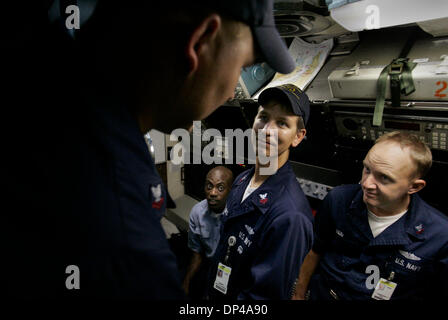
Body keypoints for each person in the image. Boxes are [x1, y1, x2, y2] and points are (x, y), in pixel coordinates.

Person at [4, 0, 296, 298]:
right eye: (241, 67)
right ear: (200, 43)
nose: (230, 89)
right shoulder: (121, 220)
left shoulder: (43, 80)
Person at [292, 131, 448, 300]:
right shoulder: (338, 200)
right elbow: (315, 251)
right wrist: (298, 295)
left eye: (384, 178)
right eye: (367, 169)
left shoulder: (439, 236)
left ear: (414, 187)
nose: (366, 184)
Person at [206, 84, 314, 300]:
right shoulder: (242, 180)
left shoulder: (290, 217)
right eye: (263, 117)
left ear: (298, 136)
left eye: (282, 123)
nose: (267, 130)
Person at [182, 166, 234, 299]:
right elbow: (197, 253)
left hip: (234, 271)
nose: (213, 193)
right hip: (210, 266)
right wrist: (186, 281)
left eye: (220, 188)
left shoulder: (238, 214)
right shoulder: (197, 213)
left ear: (230, 191)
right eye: (209, 186)